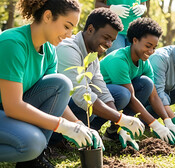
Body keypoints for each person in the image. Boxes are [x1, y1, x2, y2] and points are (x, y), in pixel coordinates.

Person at [0, 0, 102, 168]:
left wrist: (79, 126)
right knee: (33, 143)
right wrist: (63, 127)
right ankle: (33, 152)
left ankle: (33, 161)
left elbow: (58, 100)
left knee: (61, 83)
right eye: (66, 26)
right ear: (47, 16)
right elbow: (13, 106)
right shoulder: (13, 43)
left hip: (7, 111)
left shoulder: (49, 51)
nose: (69, 35)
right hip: (6, 108)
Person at [56, 8, 146, 150]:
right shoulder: (68, 49)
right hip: (58, 108)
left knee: (121, 95)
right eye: (106, 37)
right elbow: (80, 96)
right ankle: (58, 138)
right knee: (90, 103)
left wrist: (119, 126)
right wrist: (121, 119)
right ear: (90, 29)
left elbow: (103, 91)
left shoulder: (93, 55)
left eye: (112, 40)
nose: (109, 44)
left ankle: (90, 132)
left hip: (75, 105)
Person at [100, 17, 175, 145]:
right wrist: (155, 125)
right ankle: (93, 126)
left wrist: (167, 120)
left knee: (146, 84)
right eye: (148, 46)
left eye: (154, 47)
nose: (151, 51)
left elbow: (153, 96)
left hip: (118, 99)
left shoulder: (144, 62)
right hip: (99, 102)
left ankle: (115, 131)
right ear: (135, 40)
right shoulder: (119, 60)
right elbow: (130, 98)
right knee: (124, 93)